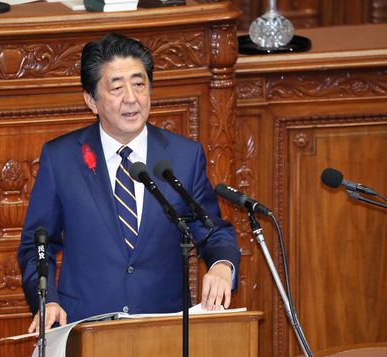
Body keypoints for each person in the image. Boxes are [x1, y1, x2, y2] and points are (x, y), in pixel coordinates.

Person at [17, 32, 240, 332]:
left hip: (163, 330)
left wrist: (222, 265)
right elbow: (37, 244)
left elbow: (212, 232)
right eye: (117, 88)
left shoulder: (183, 157)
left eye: (139, 84)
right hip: (85, 328)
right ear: (91, 101)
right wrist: (46, 299)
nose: (131, 99)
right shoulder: (61, 159)